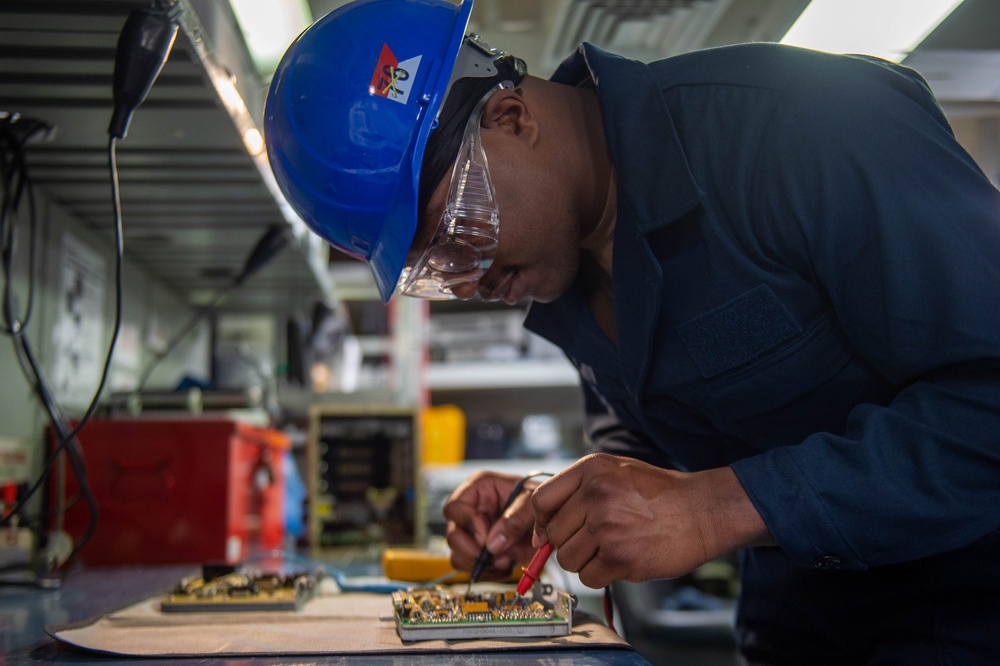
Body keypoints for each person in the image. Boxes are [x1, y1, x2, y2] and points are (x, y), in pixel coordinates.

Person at [264, 0, 1000, 663]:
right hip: (796, 631)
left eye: (458, 233)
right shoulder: (565, 268)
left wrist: (717, 509)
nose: (468, 281)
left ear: (512, 119)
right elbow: (665, 454)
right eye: (437, 270)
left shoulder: (807, 125)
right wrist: (554, 505)